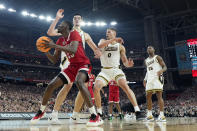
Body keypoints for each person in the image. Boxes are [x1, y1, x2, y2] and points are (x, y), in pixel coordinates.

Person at [31, 20, 102, 126]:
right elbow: (54, 60)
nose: (59, 26)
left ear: (68, 28)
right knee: (51, 85)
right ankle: (41, 111)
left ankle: (95, 116)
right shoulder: (60, 40)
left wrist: (54, 46)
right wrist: (46, 51)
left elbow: (72, 50)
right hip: (71, 67)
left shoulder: (74, 34)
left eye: (61, 25)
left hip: (83, 64)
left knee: (79, 82)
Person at [46, 9, 101, 124]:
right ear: (72, 21)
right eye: (74, 18)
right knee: (68, 86)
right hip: (68, 61)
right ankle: (54, 114)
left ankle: (75, 115)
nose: (76, 19)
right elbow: (50, 32)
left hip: (80, 61)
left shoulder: (85, 35)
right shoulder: (66, 30)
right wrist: (57, 18)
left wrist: (98, 52)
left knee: (83, 87)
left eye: (78, 18)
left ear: (82, 21)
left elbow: (95, 48)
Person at [93, 28, 144, 126]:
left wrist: (128, 64)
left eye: (109, 32)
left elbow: (124, 61)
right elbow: (99, 46)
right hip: (105, 70)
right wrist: (114, 40)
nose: (107, 33)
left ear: (114, 33)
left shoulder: (120, 47)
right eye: (106, 32)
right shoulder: (103, 41)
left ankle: (137, 111)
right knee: (96, 87)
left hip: (116, 69)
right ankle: (99, 113)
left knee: (124, 85)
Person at [143, 46, 167, 122]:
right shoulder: (146, 60)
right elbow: (148, 71)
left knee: (159, 96)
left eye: (150, 48)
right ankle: (150, 115)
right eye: (148, 48)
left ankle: (162, 115)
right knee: (148, 97)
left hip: (157, 78)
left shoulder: (158, 57)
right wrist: (145, 79)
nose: (149, 49)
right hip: (150, 79)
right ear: (147, 51)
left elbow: (165, 67)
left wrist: (161, 71)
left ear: (154, 49)